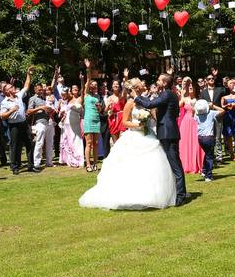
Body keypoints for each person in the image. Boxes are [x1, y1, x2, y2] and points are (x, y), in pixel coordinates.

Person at [79, 78, 177, 210]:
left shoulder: (146, 101)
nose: (144, 84)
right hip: (135, 135)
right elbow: (125, 122)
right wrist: (138, 124)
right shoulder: (130, 103)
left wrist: (151, 118)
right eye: (141, 83)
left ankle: (152, 194)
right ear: (137, 88)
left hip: (148, 135)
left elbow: (154, 115)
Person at [136, 68, 188, 206]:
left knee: (175, 164)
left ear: (164, 83)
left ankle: (181, 195)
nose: (157, 81)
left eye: (159, 79)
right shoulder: (167, 94)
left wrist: (136, 96)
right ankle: (176, 192)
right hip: (167, 131)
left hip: (168, 132)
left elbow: (149, 104)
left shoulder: (167, 94)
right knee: (172, 163)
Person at [1, 67, 36, 175]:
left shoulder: (18, 95)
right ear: (7, 91)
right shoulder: (4, 102)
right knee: (15, 146)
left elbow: (26, 85)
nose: (13, 87)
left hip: (24, 123)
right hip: (14, 126)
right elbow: (2, 116)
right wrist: (12, 110)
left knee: (29, 143)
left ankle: (31, 165)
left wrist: (28, 74)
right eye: (10, 87)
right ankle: (15, 166)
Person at [178, 77, 204, 174]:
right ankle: (187, 164)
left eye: (192, 88)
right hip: (186, 122)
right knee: (185, 142)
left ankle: (196, 165)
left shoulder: (199, 100)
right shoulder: (184, 98)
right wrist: (181, 94)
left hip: (196, 122)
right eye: (189, 88)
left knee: (196, 142)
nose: (190, 89)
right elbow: (179, 105)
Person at [194, 98, 224, 181]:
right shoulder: (211, 113)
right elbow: (222, 111)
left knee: (207, 154)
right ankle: (208, 175)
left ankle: (204, 170)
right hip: (209, 137)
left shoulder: (197, 115)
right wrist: (213, 106)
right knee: (210, 156)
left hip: (200, 138)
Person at [199, 70, 226, 163]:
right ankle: (211, 155)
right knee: (210, 136)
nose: (211, 80)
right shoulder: (203, 92)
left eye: (212, 78)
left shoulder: (219, 89)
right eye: (209, 79)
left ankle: (219, 156)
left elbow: (225, 89)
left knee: (218, 136)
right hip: (208, 117)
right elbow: (201, 104)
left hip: (218, 115)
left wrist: (217, 76)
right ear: (206, 81)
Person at [81, 60, 101, 172]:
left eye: (96, 85)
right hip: (88, 120)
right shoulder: (86, 94)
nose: (94, 86)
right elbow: (88, 80)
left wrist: (99, 107)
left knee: (96, 143)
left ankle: (95, 164)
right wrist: (88, 69)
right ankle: (88, 164)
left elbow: (100, 110)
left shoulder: (98, 96)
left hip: (96, 120)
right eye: (92, 85)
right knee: (88, 143)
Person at [28, 82, 53, 170]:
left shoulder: (45, 98)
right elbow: (29, 111)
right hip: (39, 122)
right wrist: (40, 108)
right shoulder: (33, 99)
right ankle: (36, 163)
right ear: (35, 90)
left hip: (49, 122)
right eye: (39, 89)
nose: (41, 91)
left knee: (50, 143)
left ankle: (49, 162)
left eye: (42, 89)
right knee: (39, 142)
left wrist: (50, 110)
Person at [59, 86, 84, 168]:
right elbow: (65, 110)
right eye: (73, 89)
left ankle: (79, 160)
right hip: (67, 123)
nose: (75, 90)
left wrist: (82, 81)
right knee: (69, 141)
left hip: (76, 123)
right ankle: (69, 159)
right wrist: (63, 114)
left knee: (77, 140)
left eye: (76, 88)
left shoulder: (80, 98)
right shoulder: (68, 100)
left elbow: (84, 89)